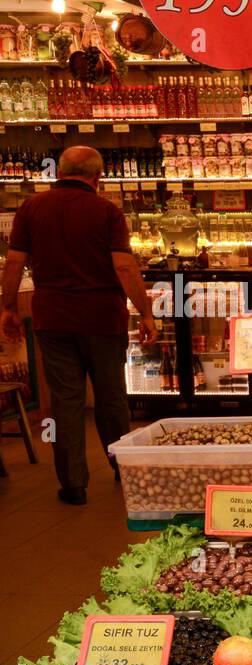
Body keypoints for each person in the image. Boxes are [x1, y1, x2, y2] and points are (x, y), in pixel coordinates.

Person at [0, 145, 157, 505]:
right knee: (111, 397)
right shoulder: (106, 211)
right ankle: (123, 469)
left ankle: (73, 484)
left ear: (60, 171)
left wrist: (8, 307)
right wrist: (145, 312)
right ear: (97, 178)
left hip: (52, 317)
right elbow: (125, 268)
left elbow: (13, 264)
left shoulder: (31, 208)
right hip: (102, 317)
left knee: (66, 401)